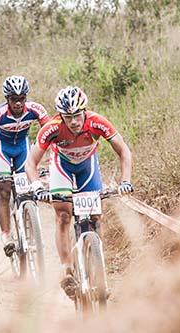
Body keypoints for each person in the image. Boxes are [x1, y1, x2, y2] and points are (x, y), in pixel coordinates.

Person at [25, 86, 133, 298]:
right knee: (64, 214)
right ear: (61, 116)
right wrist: (37, 185)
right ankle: (66, 268)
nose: (73, 121)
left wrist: (126, 181)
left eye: (77, 115)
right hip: (61, 166)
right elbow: (31, 162)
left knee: (95, 217)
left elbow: (124, 151)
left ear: (85, 110)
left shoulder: (97, 122)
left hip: (87, 166)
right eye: (68, 117)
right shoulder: (52, 128)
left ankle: (97, 266)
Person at [0, 75, 50, 257]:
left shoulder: (36, 109)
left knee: (27, 190)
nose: (18, 103)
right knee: (4, 192)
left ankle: (31, 222)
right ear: (7, 99)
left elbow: (51, 136)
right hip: (2, 148)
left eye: (22, 99)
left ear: (26, 97)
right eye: (14, 99)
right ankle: (6, 235)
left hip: (22, 148)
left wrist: (52, 162)